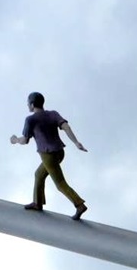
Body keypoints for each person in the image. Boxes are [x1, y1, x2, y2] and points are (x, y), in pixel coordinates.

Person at [10, 92, 89, 220]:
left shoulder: (31, 119)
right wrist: (75, 142)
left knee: (60, 183)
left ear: (31, 104)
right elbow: (66, 127)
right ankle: (38, 203)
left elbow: (24, 140)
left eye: (27, 104)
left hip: (48, 155)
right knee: (38, 174)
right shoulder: (53, 114)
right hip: (59, 152)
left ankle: (79, 204)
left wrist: (14, 140)